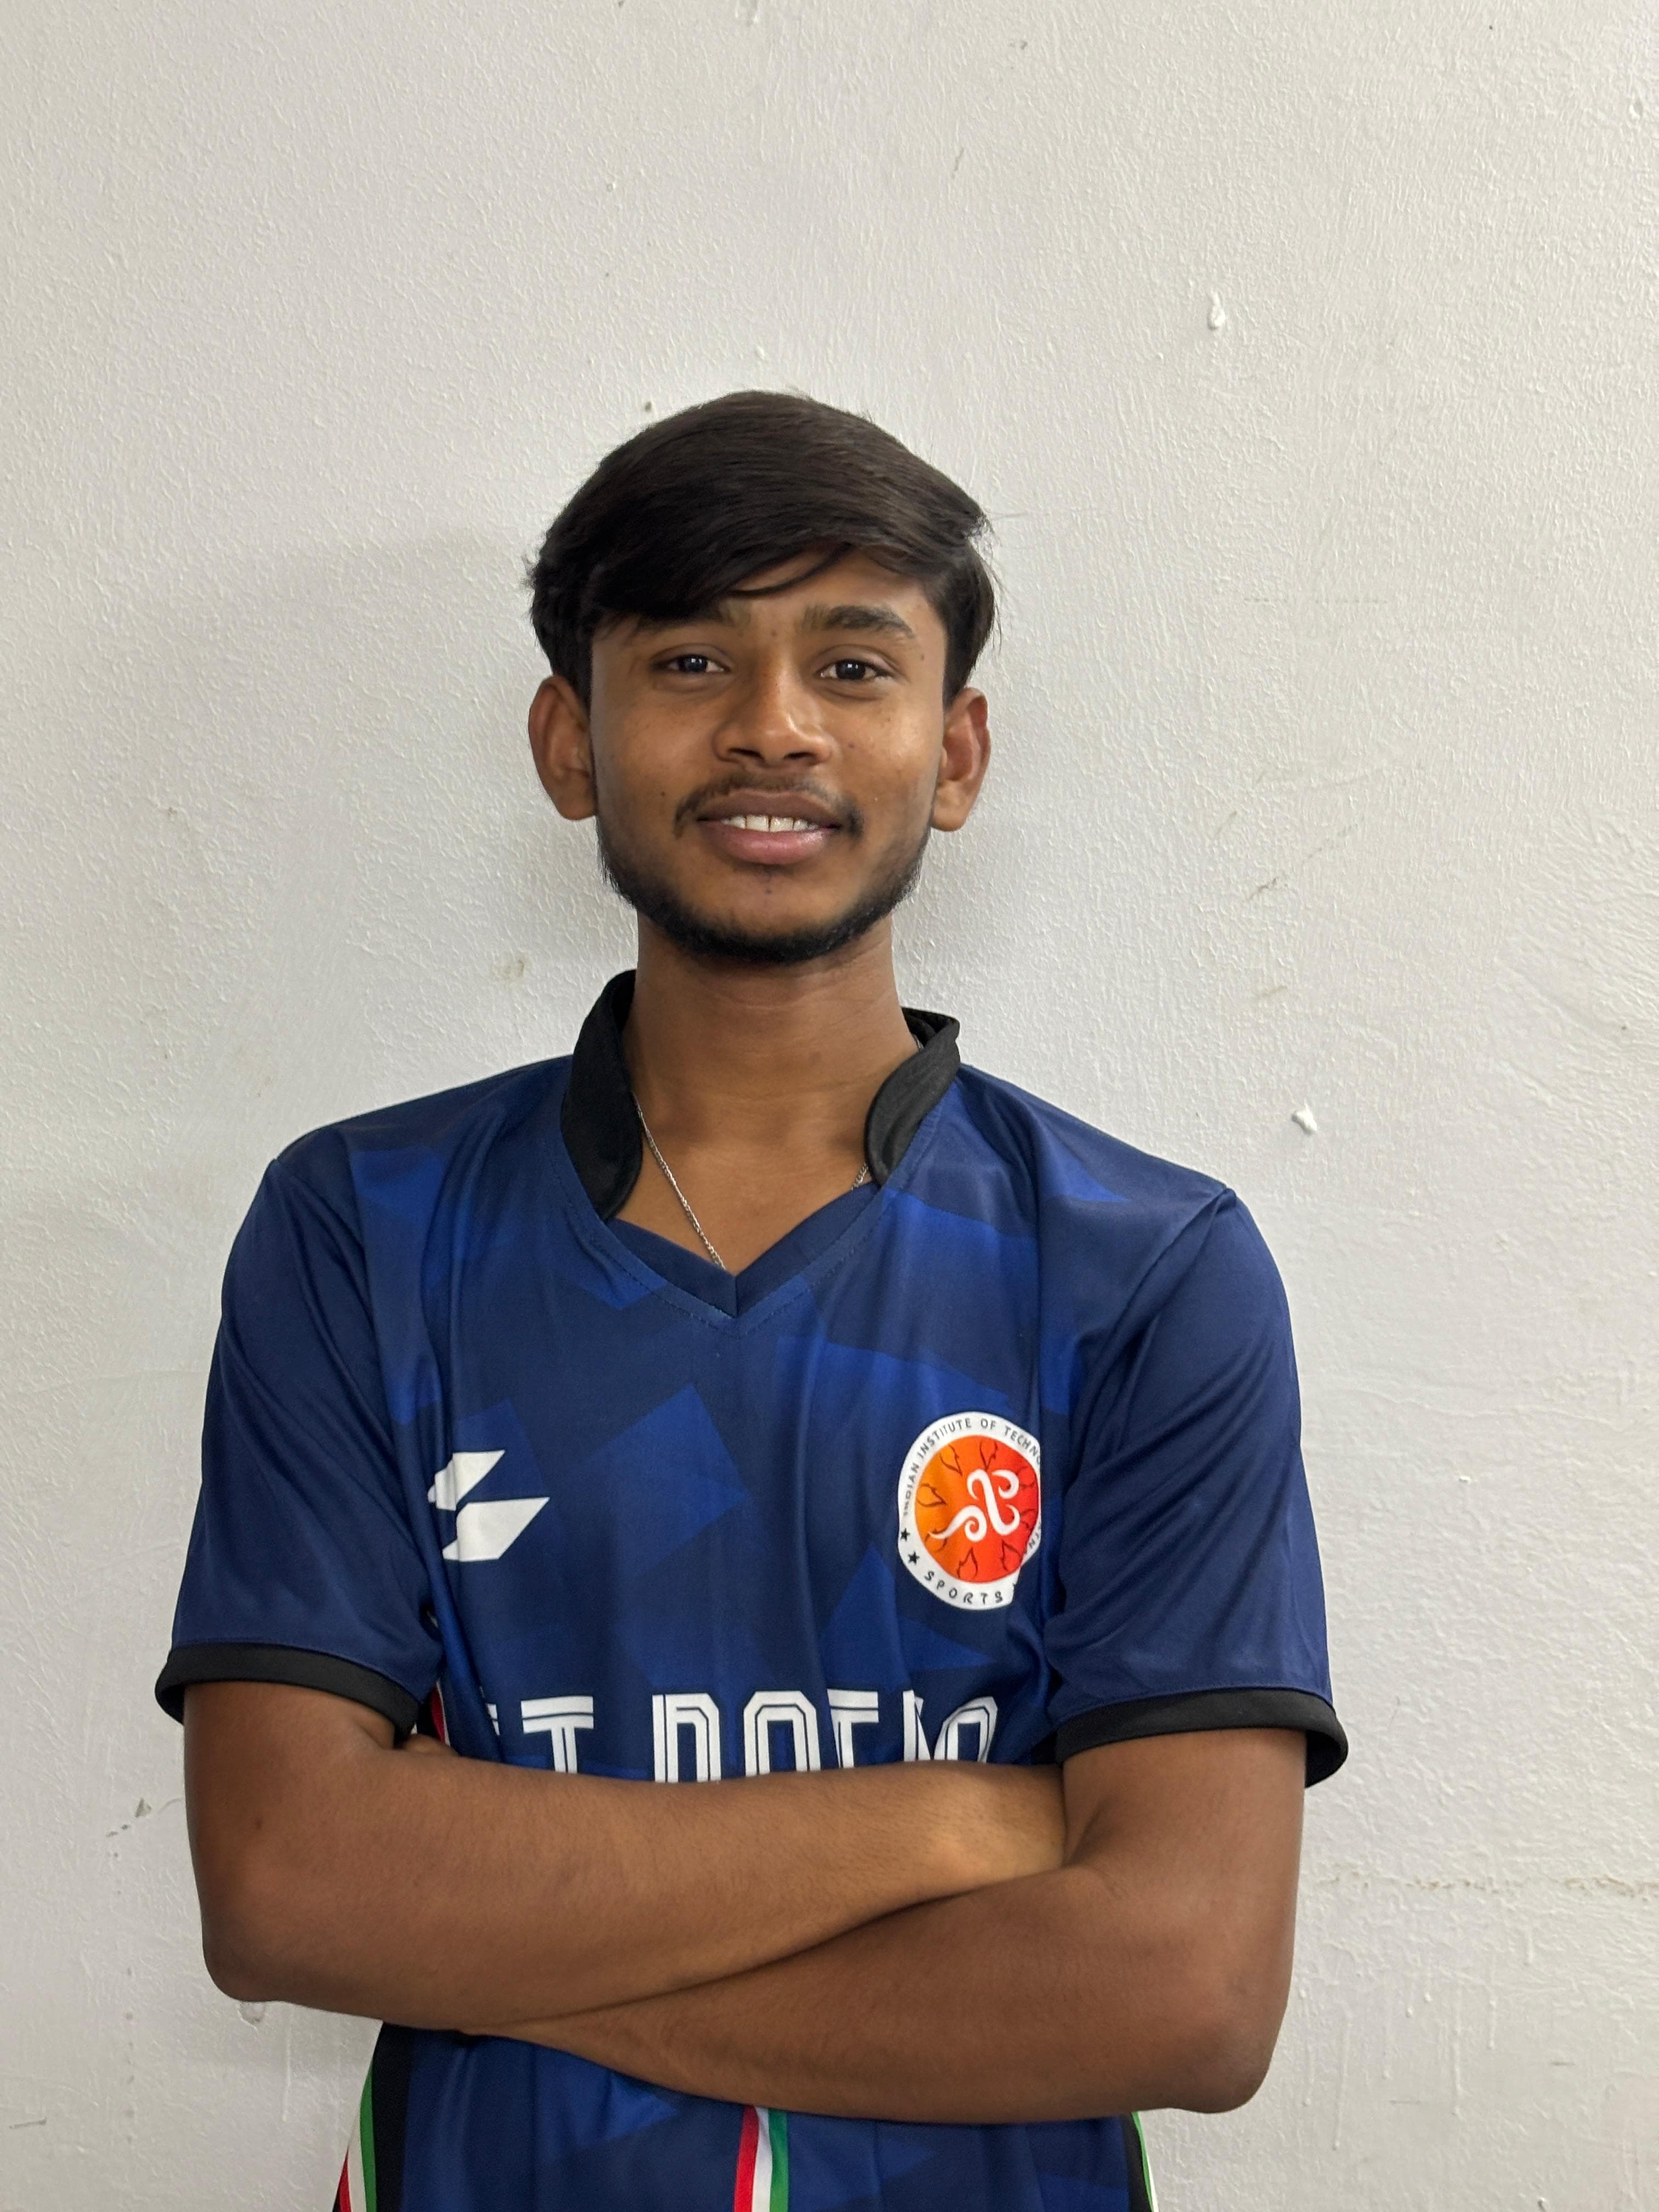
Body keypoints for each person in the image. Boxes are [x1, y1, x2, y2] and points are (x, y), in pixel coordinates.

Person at [158, 390, 1346, 2212]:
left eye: (853, 665)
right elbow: (289, 1887)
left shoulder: (1145, 1267)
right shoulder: (365, 1229)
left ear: (956, 755)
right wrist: (969, 1819)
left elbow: (1183, 1992)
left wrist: (499, 1931)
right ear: (573, 740)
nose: (774, 726)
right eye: (694, 657)